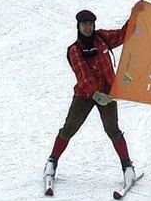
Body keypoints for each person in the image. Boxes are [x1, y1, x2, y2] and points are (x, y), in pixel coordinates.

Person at [43, 10, 135, 188]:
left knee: (113, 129)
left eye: (90, 24)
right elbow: (83, 76)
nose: (88, 27)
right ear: (78, 26)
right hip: (85, 94)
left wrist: (136, 15)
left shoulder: (102, 38)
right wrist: (95, 94)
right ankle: (52, 161)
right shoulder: (75, 50)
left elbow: (123, 35)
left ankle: (127, 166)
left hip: (107, 94)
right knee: (69, 128)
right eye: (84, 24)